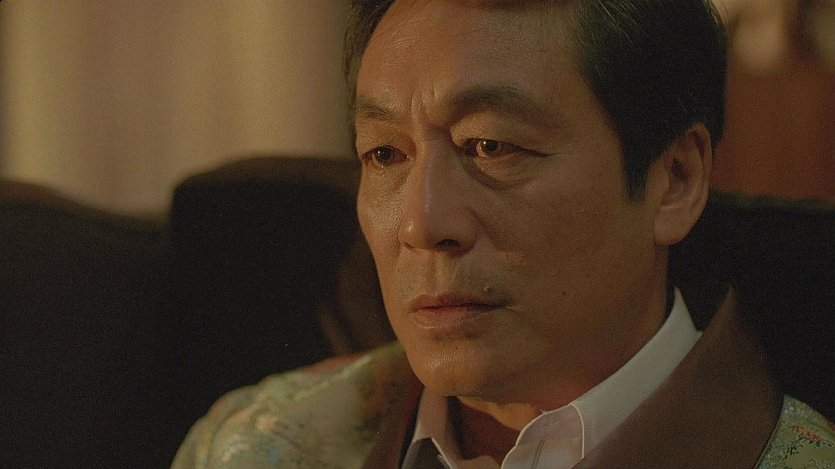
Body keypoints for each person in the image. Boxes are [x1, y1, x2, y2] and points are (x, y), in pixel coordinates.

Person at [172, 0, 835, 467]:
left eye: (490, 145)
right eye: (384, 154)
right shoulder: (256, 444)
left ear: (675, 180)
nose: (422, 223)